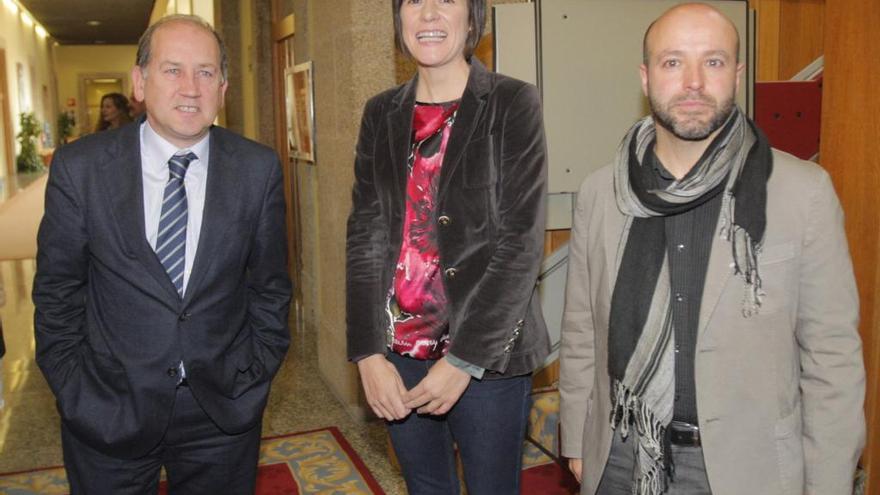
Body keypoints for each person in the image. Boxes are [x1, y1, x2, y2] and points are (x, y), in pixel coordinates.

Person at [559, 4, 865, 495]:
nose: (695, 82)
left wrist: (829, 482)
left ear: (738, 75)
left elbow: (832, 358)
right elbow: (581, 329)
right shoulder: (601, 194)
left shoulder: (802, 193)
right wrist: (576, 437)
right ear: (645, 77)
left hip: (748, 467)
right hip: (620, 456)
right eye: (673, 62)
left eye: (714, 62)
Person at [33, 14, 291, 494]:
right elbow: (57, 291)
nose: (190, 88)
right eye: (173, 70)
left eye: (206, 72)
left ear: (224, 85)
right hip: (107, 405)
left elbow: (270, 286)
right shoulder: (82, 168)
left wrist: (253, 374)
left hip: (221, 410)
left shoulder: (258, 169)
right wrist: (76, 390)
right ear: (139, 81)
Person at [346, 0, 550, 492]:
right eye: (415, 1)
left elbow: (519, 246)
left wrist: (463, 360)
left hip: (486, 359)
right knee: (425, 487)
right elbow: (366, 234)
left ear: (472, 16)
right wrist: (367, 354)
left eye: (447, 0)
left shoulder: (512, 103)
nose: (430, 14)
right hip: (399, 355)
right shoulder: (381, 112)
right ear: (399, 19)